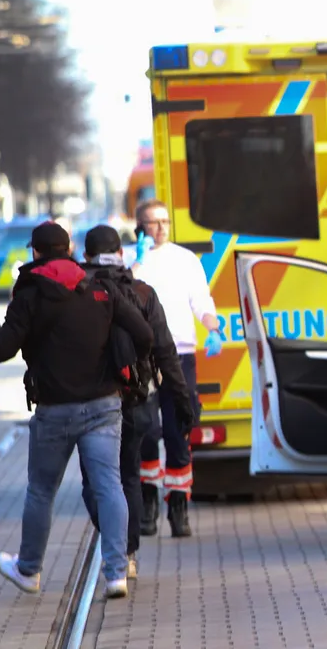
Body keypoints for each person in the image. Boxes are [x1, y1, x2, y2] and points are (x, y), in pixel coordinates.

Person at [0, 221, 153, 599]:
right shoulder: (100, 288)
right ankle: (117, 572)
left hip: (54, 410)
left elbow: (1, 351)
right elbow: (144, 335)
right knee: (109, 485)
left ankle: (29, 570)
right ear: (69, 250)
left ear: (35, 252)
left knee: (41, 491)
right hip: (104, 405)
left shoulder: (28, 294)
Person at [78, 225, 196, 579]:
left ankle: (117, 543)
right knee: (128, 474)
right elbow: (166, 352)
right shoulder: (143, 292)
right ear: (121, 253)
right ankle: (127, 553)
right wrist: (183, 399)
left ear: (86, 256)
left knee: (95, 482)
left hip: (90, 401)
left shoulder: (75, 292)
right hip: (136, 400)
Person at [130, 199, 220, 537]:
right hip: (143, 358)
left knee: (178, 430)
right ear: (140, 227)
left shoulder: (185, 259)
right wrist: (136, 262)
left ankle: (179, 506)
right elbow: (121, 295)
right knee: (147, 431)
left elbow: (201, 300)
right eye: (153, 223)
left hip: (180, 355)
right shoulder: (131, 260)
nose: (161, 228)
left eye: (165, 221)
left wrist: (213, 328)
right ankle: (148, 502)